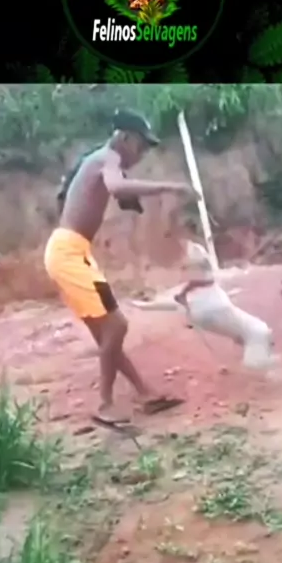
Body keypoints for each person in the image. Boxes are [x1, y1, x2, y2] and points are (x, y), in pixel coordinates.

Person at [44, 108, 199, 427]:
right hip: (68, 255)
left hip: (73, 254)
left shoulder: (100, 159)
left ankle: (145, 394)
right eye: (141, 146)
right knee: (117, 327)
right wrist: (169, 187)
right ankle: (105, 404)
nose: (141, 154)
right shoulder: (108, 158)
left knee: (108, 334)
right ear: (125, 138)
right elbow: (115, 187)